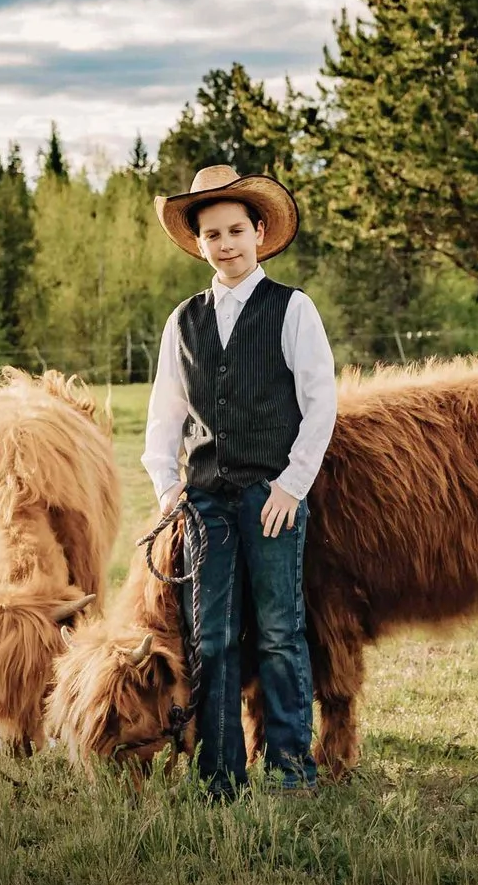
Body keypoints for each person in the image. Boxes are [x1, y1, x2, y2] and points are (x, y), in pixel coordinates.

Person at [142, 164, 338, 795]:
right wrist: (168, 488)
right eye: (211, 234)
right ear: (197, 243)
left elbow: (320, 401)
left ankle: (290, 769)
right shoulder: (185, 320)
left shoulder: (292, 308)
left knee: (281, 631)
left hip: (270, 496)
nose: (224, 244)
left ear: (259, 232)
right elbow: (166, 411)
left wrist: (292, 485)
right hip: (205, 501)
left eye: (235, 230)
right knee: (213, 636)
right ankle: (219, 773)